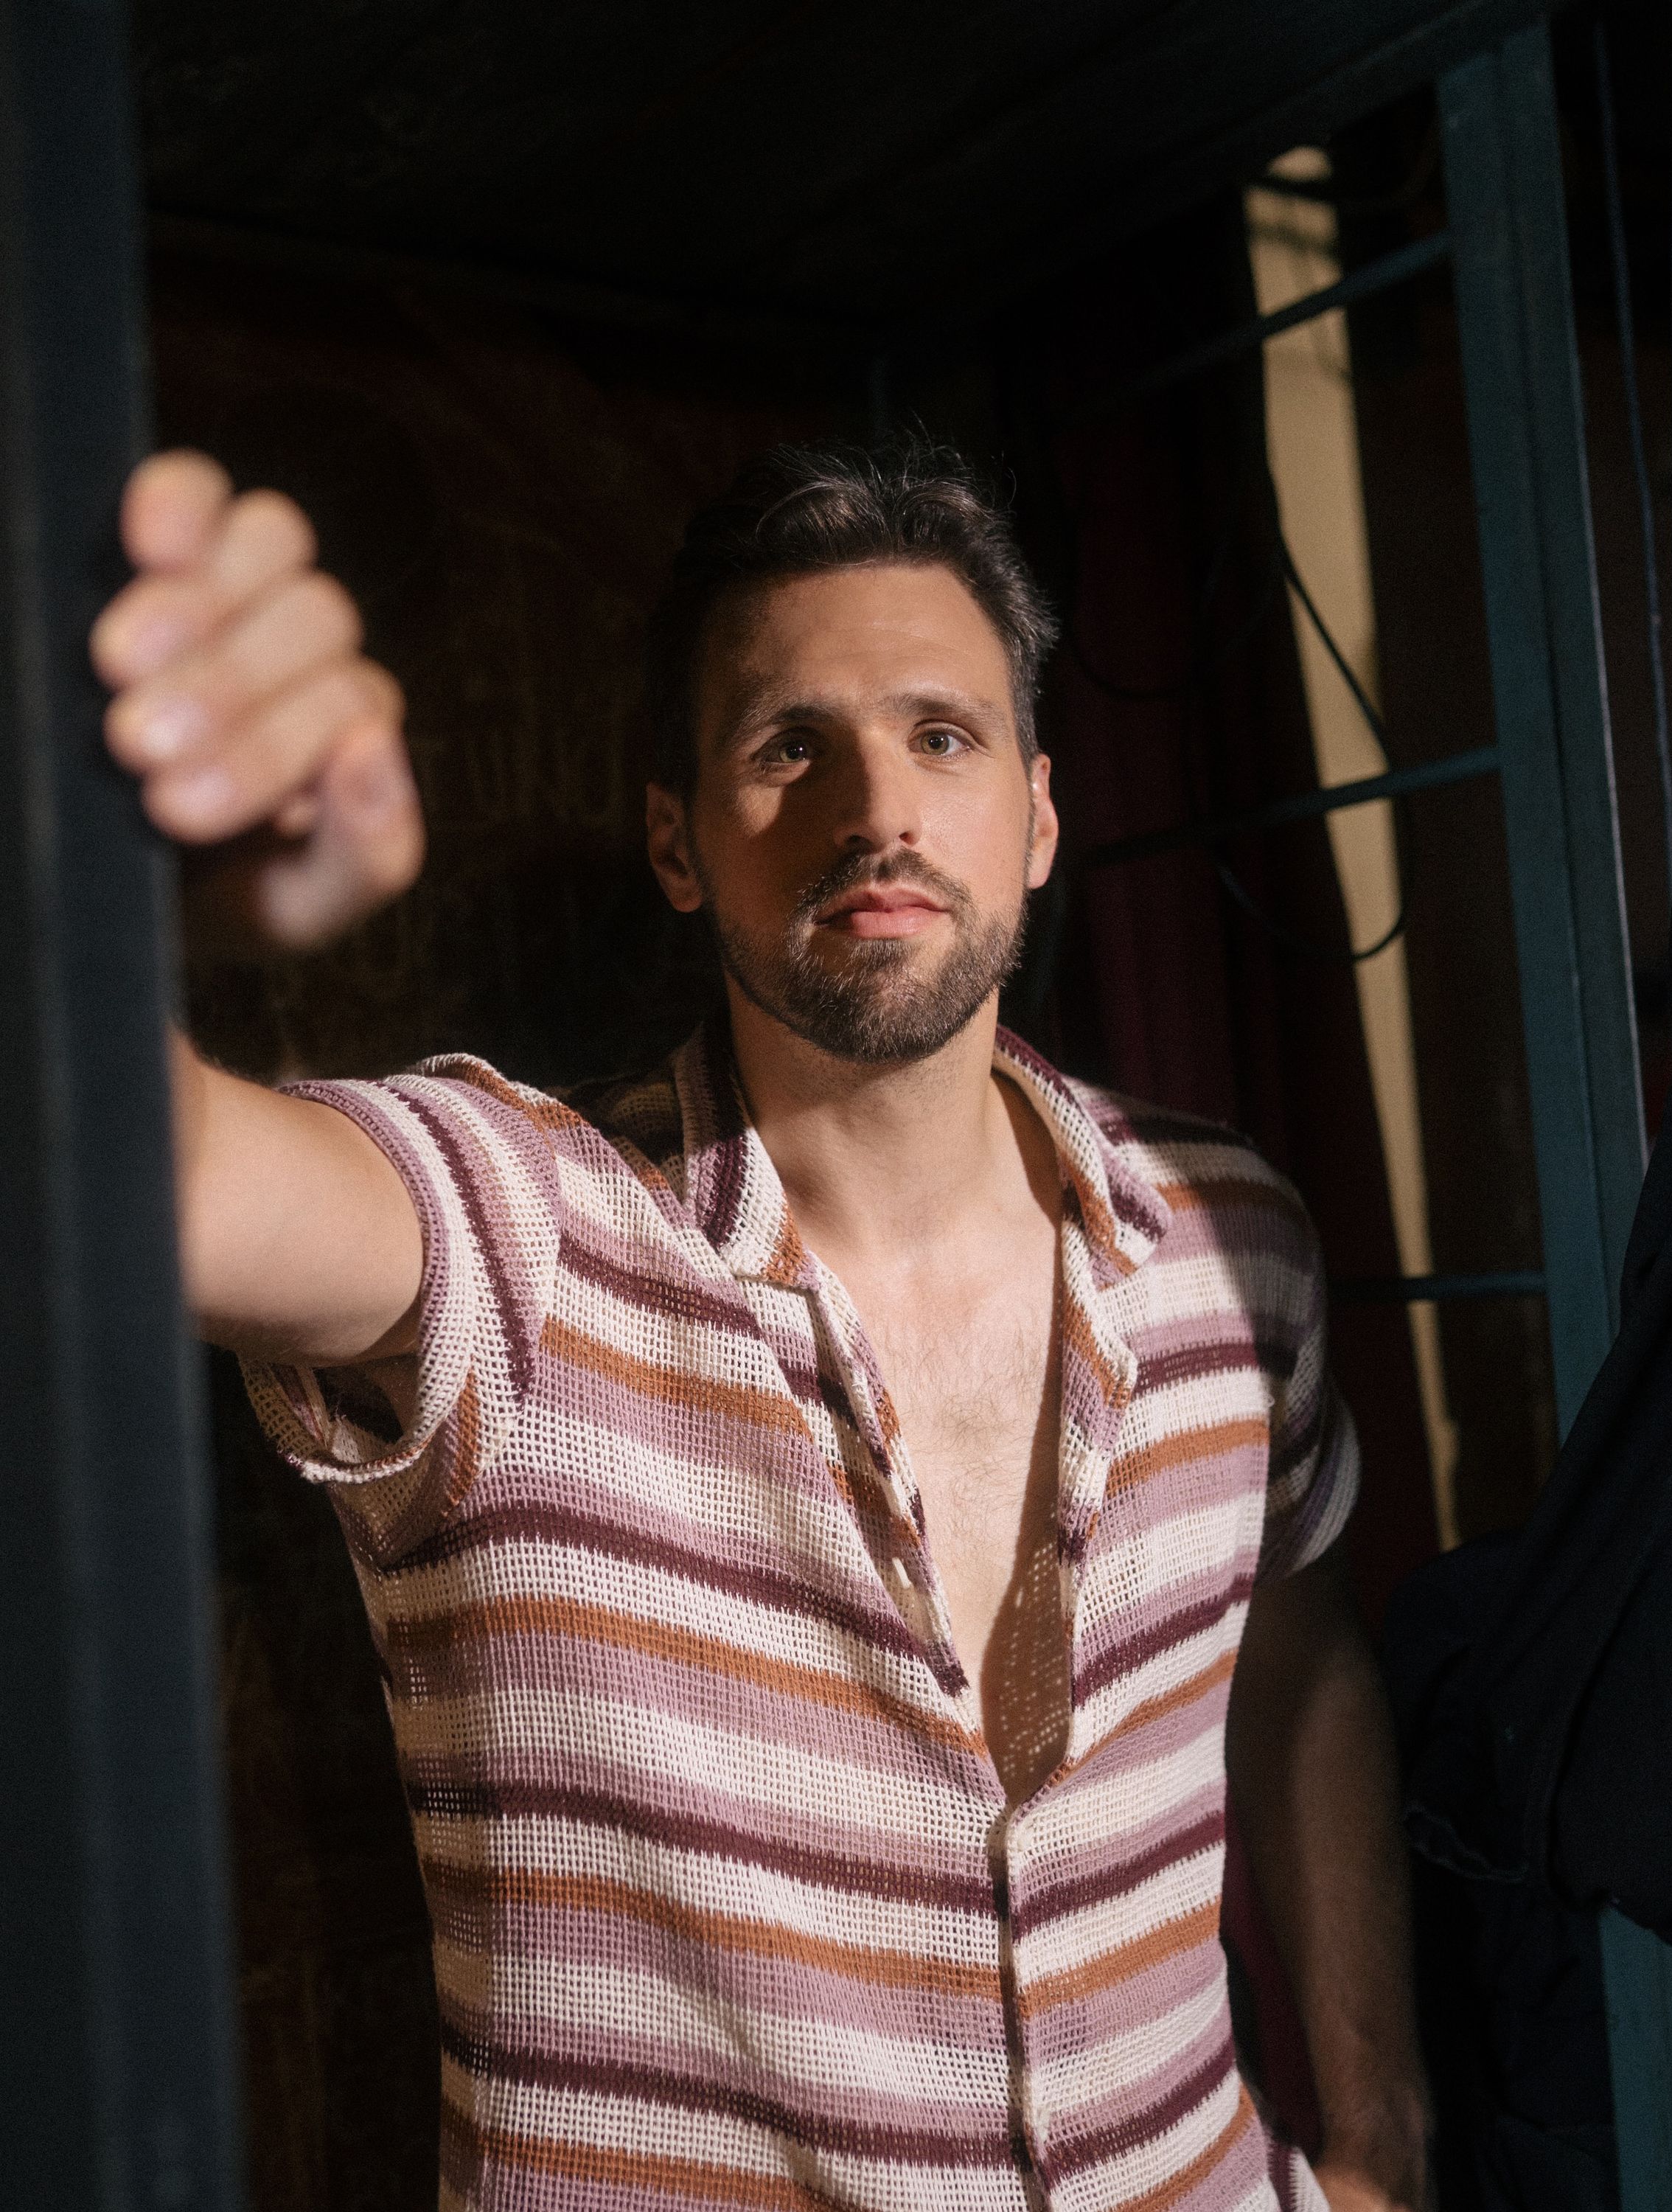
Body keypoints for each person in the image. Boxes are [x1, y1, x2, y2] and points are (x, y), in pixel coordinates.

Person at [95, 438, 1431, 2212]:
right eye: (789, 745)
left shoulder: (1229, 1236)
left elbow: (1296, 1652)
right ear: (676, 838)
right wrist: (107, 870)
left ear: (1037, 818)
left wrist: (1379, 2140)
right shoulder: (523, 1240)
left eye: (941, 736)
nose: (876, 806)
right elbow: (121, 1168)